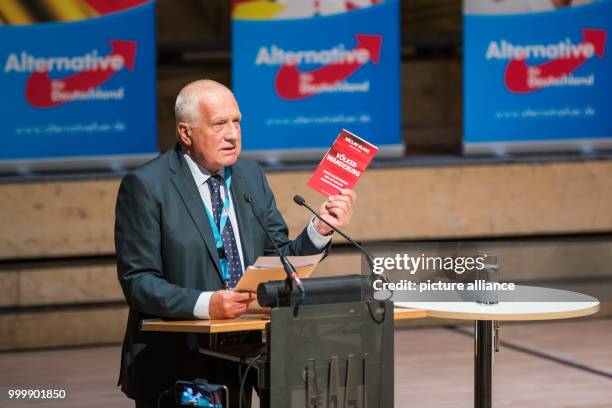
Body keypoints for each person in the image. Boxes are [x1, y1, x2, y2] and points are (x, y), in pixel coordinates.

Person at [115, 79, 357, 407]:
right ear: (185, 133)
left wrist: (319, 229)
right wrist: (206, 304)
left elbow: (278, 259)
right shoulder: (146, 186)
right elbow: (139, 282)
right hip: (181, 356)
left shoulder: (250, 176)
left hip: (251, 346)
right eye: (219, 124)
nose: (232, 134)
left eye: (236, 122)